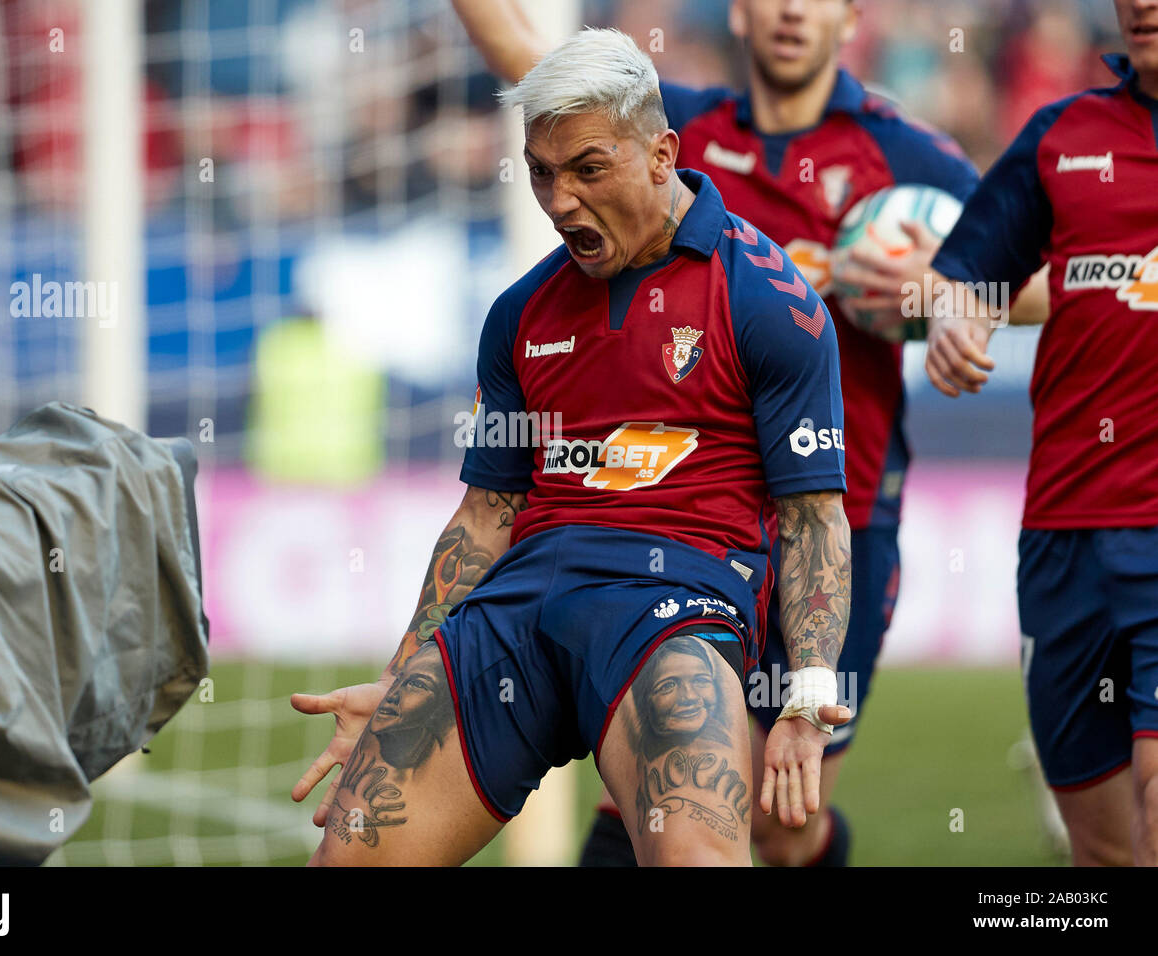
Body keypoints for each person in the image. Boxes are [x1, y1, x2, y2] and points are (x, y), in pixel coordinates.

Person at [452, 0, 1050, 867]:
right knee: (674, 785)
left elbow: (1040, 273)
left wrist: (936, 287)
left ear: (849, 15)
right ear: (739, 12)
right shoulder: (682, 126)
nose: (791, 13)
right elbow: (526, 55)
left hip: (835, 520)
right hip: (694, 524)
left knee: (777, 816)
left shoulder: (902, 152)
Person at [291, 27, 852, 866]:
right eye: (541, 173)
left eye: (589, 169)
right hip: (517, 611)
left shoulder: (766, 299)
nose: (559, 202)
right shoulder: (519, 313)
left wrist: (806, 696)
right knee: (352, 855)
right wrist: (403, 677)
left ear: (662, 155)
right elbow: (486, 516)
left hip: (672, 610)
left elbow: (813, 518)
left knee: (696, 856)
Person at [925, 0, 1158, 867]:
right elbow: (965, 273)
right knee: (1102, 854)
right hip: (1064, 537)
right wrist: (954, 319)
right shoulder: (1063, 137)